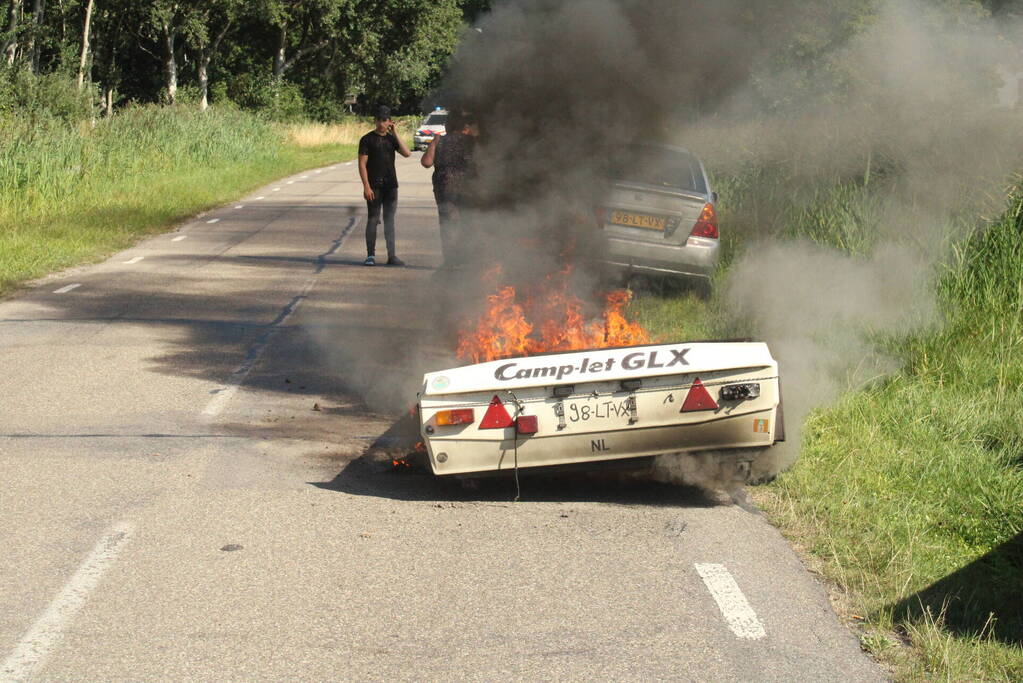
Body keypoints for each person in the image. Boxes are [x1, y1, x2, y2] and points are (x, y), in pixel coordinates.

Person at [421, 109, 477, 267]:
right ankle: (466, 261)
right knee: (467, 223)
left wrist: (433, 143)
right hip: (468, 188)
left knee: (448, 225)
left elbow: (426, 163)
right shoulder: (471, 141)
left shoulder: (440, 141)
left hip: (444, 189)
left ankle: (450, 262)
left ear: (448, 125)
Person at [358, 105, 411, 266]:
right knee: (373, 219)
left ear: (390, 122)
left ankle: (392, 256)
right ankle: (370, 255)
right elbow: (362, 164)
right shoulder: (367, 139)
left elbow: (407, 153)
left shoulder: (391, 138)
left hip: (390, 186)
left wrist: (395, 133)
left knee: (389, 220)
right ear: (375, 121)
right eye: (379, 120)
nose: (381, 123)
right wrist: (366, 186)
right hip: (374, 186)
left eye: (385, 120)